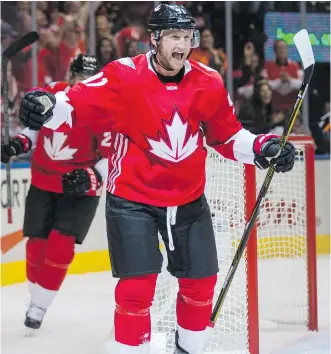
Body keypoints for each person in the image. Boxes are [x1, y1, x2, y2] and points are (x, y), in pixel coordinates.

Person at [17, 4, 296, 353]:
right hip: (132, 201)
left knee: (201, 284)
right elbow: (74, 104)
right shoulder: (123, 76)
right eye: (173, 37)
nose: (182, 45)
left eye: (186, 36)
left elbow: (226, 136)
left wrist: (262, 146)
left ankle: (188, 349)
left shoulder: (207, 82)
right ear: (154, 39)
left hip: (188, 202)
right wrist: (45, 105)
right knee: (136, 289)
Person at [1, 54, 111, 331]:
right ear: (70, 75)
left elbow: (113, 156)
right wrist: (19, 142)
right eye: (79, 77)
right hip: (43, 181)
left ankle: (39, 306)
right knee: (36, 245)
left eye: (89, 79)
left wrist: (92, 176)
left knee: (61, 245)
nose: (83, 83)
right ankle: (37, 297)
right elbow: (35, 128)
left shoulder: (105, 106)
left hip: (80, 186)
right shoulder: (54, 93)